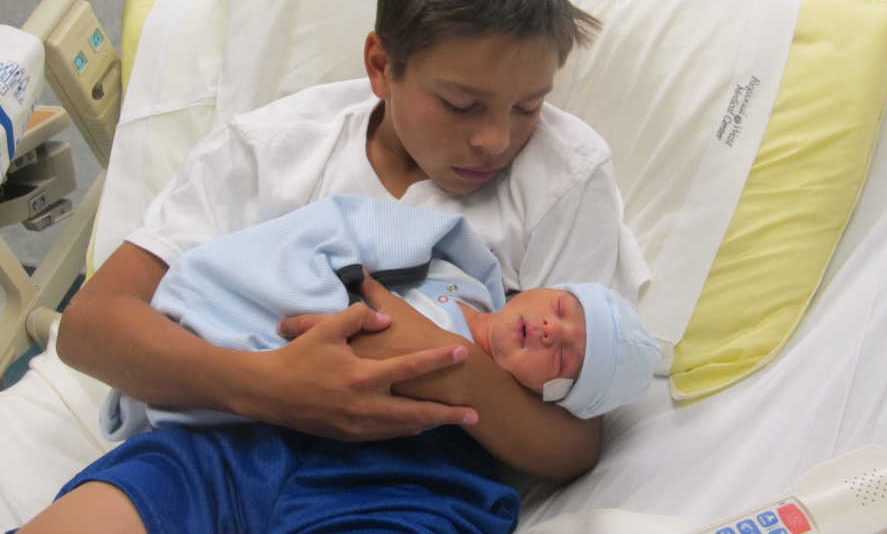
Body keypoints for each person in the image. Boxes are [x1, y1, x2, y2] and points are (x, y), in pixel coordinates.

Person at [28, 0, 650, 531]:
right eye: (461, 105)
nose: (495, 139)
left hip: (407, 480)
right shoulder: (270, 150)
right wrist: (270, 385)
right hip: (217, 445)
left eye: (528, 106)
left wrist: (447, 361)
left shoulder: (565, 175)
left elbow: (573, 445)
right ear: (381, 66)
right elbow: (93, 327)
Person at [18, 195, 657, 534]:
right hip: (230, 444)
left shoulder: (519, 426)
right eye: (565, 310)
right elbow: (320, 245)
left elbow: (576, 448)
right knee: (116, 504)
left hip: (400, 485)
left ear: (557, 399)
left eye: (566, 355)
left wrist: (431, 362)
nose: (552, 330)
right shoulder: (450, 266)